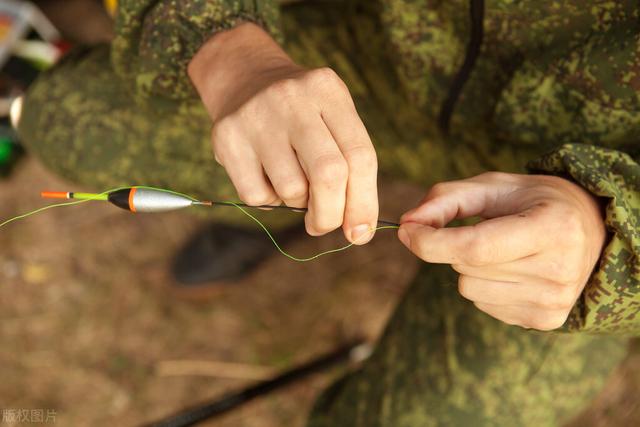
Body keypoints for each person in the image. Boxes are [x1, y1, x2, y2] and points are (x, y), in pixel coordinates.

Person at [17, 0, 639, 425]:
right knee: (65, 113)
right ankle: (288, 197)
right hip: (391, 60)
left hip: (591, 220)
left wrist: (608, 239)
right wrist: (227, 49)